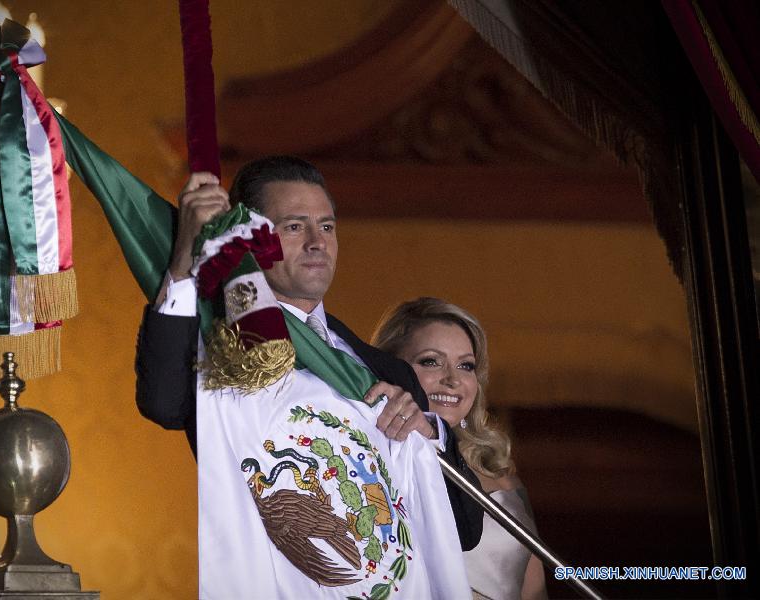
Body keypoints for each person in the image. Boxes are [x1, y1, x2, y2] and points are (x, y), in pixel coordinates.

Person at [134, 156, 483, 597]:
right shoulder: (223, 348)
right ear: (251, 240)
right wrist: (184, 260)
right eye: (295, 227)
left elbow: (464, 532)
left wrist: (430, 432)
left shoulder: (386, 370)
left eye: (328, 226)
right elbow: (163, 402)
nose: (318, 242)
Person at [372, 297, 548, 600]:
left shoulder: (499, 470)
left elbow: (535, 590)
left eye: (466, 365)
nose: (453, 379)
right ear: (389, 367)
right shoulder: (369, 464)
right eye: (431, 361)